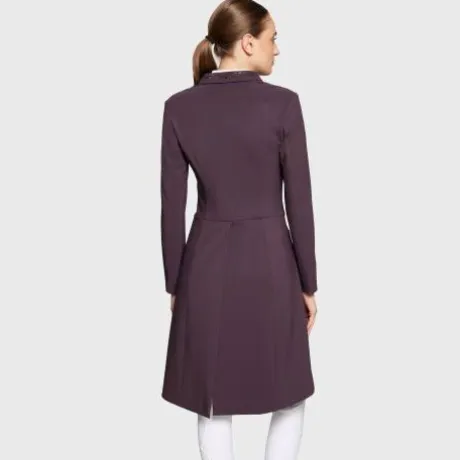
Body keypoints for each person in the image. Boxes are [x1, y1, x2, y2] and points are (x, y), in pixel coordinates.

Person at [160, 0, 318, 458]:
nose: (277, 49)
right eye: (273, 38)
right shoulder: (283, 104)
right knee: (289, 391)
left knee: (211, 397)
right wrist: (308, 283)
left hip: (203, 266)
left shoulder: (178, 107)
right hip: (271, 262)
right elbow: (300, 203)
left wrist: (175, 283)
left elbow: (171, 207)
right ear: (248, 42)